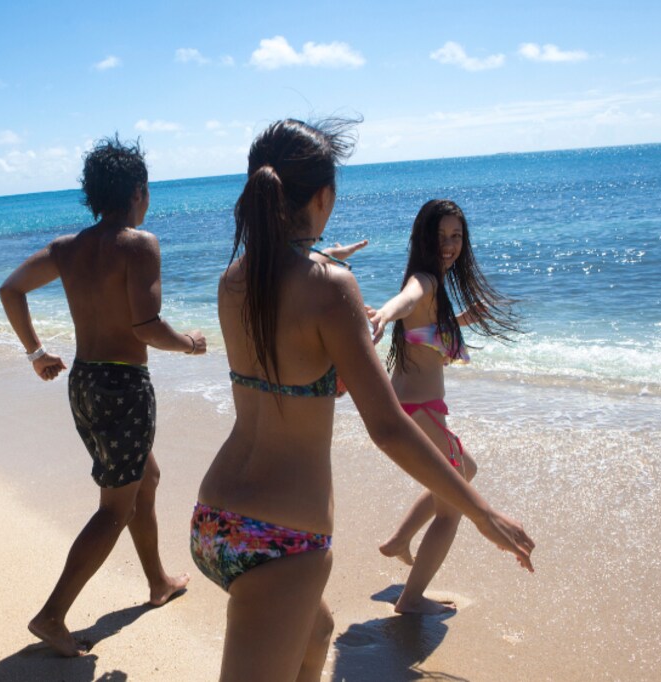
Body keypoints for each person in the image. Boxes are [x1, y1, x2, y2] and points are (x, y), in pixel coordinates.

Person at [190, 119, 534, 682]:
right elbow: (388, 427)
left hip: (214, 517)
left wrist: (322, 254)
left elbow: (286, 294)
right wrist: (482, 512)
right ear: (323, 197)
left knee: (318, 633)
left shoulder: (234, 279)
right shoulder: (330, 286)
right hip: (283, 537)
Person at [0, 135, 205, 657]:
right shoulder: (139, 244)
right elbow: (146, 327)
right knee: (115, 507)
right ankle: (52, 615)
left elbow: (10, 289)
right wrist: (189, 344)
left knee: (144, 478)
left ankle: (158, 581)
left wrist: (36, 353)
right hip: (124, 387)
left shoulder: (66, 248)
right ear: (138, 192)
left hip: (85, 382)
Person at [370, 198, 524, 614]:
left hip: (418, 408)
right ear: (424, 238)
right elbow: (407, 299)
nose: (449, 244)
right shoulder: (424, 280)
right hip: (418, 411)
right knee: (453, 507)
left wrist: (466, 318)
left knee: (463, 472)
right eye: (441, 236)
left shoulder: (436, 285)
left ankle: (400, 540)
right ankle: (411, 599)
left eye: (456, 236)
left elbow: (426, 329)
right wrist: (385, 313)